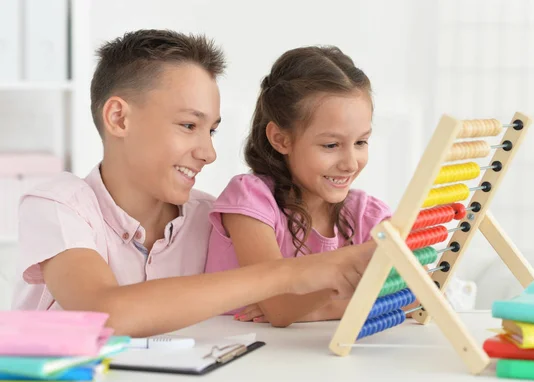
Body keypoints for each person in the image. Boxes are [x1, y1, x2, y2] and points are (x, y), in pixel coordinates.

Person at [11, 30, 375, 338]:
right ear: (119, 118)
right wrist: (290, 275)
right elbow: (104, 314)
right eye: (189, 125)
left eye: (212, 130)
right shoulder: (58, 205)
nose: (208, 152)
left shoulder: (210, 219)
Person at [205, 46, 392, 327]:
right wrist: (365, 297)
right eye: (331, 145)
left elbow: (419, 292)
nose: (351, 163)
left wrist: (319, 310)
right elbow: (280, 308)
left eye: (361, 142)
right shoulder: (251, 201)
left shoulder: (366, 214)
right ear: (281, 139)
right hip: (244, 357)